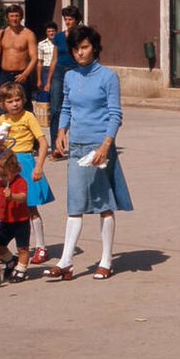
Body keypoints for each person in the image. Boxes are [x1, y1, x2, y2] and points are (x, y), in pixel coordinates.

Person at [47, 25, 132, 281]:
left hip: (99, 147)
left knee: (104, 205)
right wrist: (61, 132)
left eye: (84, 47)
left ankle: (107, 260)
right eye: (75, 49)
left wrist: (106, 146)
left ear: (94, 48)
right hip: (77, 147)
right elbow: (66, 108)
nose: (80, 53)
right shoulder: (71, 76)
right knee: (74, 204)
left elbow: (116, 115)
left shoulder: (108, 77)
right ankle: (66, 261)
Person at [0, 81, 55, 266]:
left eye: (18, 99)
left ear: (23, 100)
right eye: (10, 101)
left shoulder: (29, 117)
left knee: (29, 207)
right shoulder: (3, 120)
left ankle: (41, 246)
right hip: (6, 163)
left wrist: (39, 166)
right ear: (3, 104)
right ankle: (2, 248)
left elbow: (43, 142)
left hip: (25, 162)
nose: (15, 104)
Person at [0, 151, 32, 283]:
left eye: (4, 175)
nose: (1, 178)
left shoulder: (20, 182)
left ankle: (21, 269)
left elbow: (23, 197)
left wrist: (12, 196)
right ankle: (11, 260)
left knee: (22, 248)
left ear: (14, 171)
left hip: (21, 221)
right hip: (6, 220)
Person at [46, 5, 81, 157]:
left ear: (76, 20)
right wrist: (48, 80)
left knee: (76, 109)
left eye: (70, 19)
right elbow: (54, 59)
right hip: (59, 73)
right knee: (55, 109)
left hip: (75, 71)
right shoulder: (59, 37)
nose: (68, 22)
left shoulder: (81, 35)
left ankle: (78, 143)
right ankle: (56, 145)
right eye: (66, 19)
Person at [0, 4, 38, 110]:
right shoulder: (2, 33)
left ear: (21, 17)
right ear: (7, 17)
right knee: (3, 105)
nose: (14, 19)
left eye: (17, 16)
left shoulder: (28, 34)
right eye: (12, 16)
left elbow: (34, 57)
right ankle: (3, 126)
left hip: (21, 75)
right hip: (4, 75)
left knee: (24, 106)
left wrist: (25, 74)